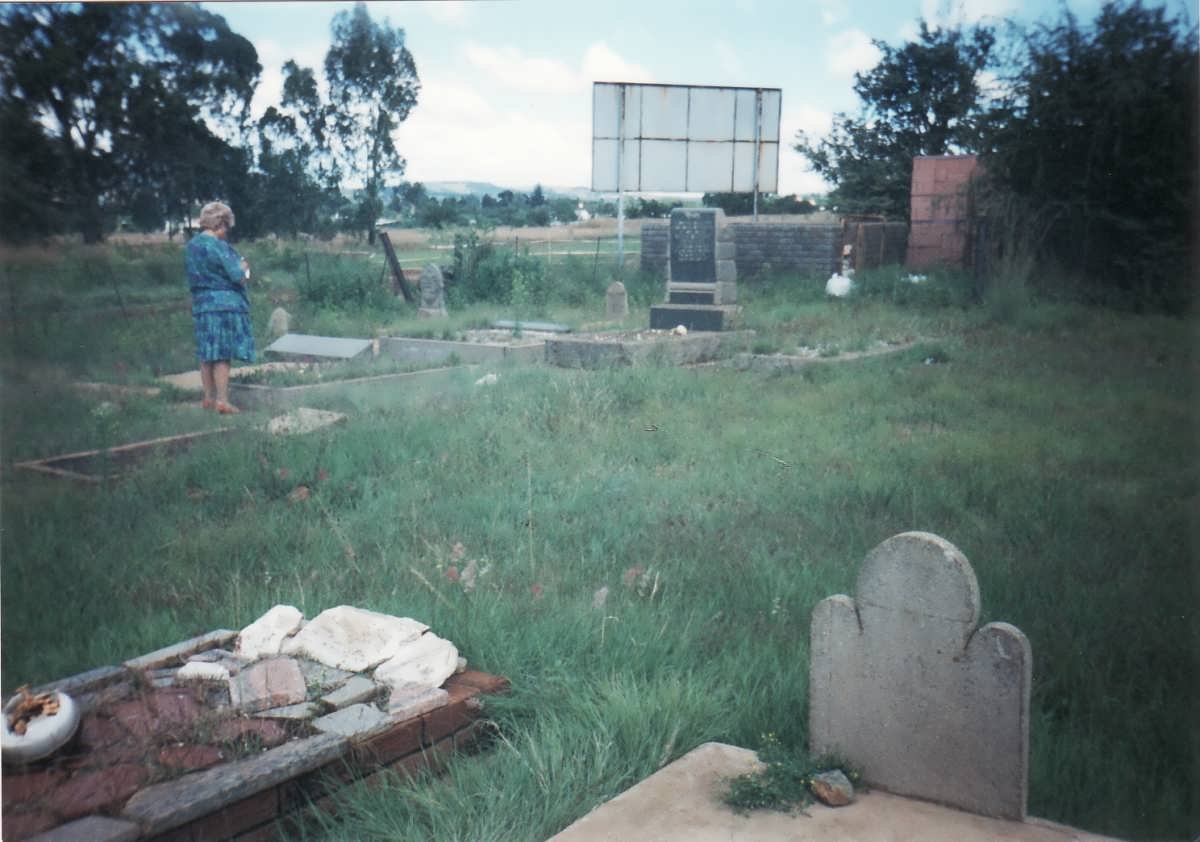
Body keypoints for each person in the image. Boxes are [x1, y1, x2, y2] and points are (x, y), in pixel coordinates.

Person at [185, 201, 254, 414]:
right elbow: (237, 276)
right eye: (227, 227)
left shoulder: (192, 246)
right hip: (224, 306)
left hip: (202, 305)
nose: (227, 232)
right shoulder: (219, 246)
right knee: (222, 355)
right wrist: (244, 268)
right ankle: (223, 401)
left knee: (207, 354)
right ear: (221, 223)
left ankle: (208, 398)